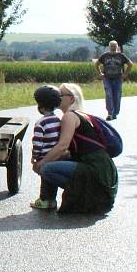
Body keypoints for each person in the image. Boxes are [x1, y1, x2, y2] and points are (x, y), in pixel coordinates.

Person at [33, 83, 118, 214]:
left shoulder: (70, 116)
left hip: (95, 169)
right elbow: (70, 152)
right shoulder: (82, 115)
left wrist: (41, 163)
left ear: (71, 99)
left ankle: (79, 194)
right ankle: (50, 199)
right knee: (52, 161)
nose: (56, 96)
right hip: (104, 172)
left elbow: (62, 147)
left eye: (60, 95)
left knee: (47, 169)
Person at [29, 86, 62, 210]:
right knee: (52, 179)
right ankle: (52, 200)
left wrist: (35, 157)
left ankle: (44, 200)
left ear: (40, 107)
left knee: (45, 179)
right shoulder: (58, 120)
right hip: (56, 156)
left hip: (44, 156)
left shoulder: (40, 123)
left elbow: (37, 143)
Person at [95, 40, 133, 120]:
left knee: (117, 96)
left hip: (118, 78)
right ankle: (110, 113)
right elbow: (96, 64)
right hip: (107, 78)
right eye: (111, 46)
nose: (113, 47)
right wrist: (100, 73)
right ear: (109, 47)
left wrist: (126, 74)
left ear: (117, 46)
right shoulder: (105, 56)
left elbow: (130, 64)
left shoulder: (121, 56)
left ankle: (115, 112)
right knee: (109, 94)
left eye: (114, 46)